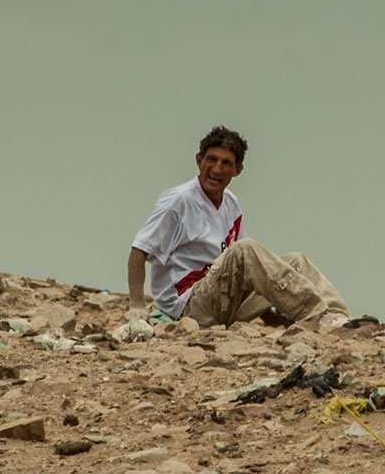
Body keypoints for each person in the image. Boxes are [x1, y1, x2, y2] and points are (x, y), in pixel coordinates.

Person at [127, 126, 348, 329]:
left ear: (238, 170)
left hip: (223, 301)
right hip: (190, 306)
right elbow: (139, 250)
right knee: (245, 250)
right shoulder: (179, 201)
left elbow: (247, 273)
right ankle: (317, 315)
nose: (216, 169)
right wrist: (136, 305)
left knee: (296, 261)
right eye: (211, 160)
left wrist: (269, 316)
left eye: (226, 163)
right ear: (198, 161)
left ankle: (340, 320)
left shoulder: (230, 202)